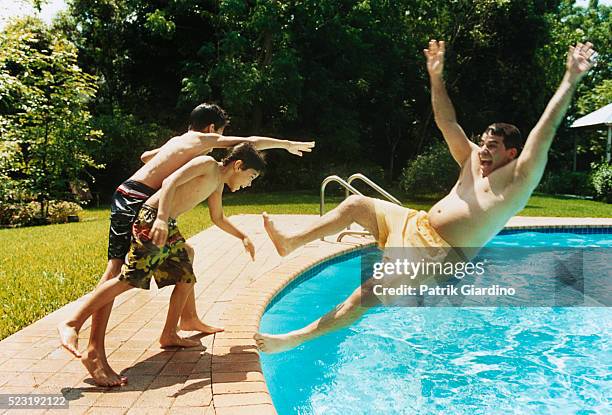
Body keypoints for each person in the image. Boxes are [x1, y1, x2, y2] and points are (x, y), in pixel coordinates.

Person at [255, 40, 597, 353]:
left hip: (439, 254)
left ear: (512, 153)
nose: (483, 152)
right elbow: (447, 121)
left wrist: (570, 79)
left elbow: (545, 130)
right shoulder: (472, 160)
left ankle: (293, 339)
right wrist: (436, 77)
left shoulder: (518, 183)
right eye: (484, 143)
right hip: (414, 222)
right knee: (356, 202)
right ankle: (291, 241)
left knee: (367, 293)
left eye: (492, 147)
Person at [62, 102, 314, 386]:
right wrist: (286, 143)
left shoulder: (183, 143)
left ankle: (184, 322)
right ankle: (82, 335)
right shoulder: (202, 146)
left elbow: (147, 157)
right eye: (220, 134)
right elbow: (249, 142)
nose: (219, 141)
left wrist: (242, 234)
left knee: (185, 257)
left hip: (139, 197)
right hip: (141, 202)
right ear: (211, 129)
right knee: (121, 273)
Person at [59, 143, 266, 386]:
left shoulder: (217, 184)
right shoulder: (207, 165)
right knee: (129, 279)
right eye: (250, 177)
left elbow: (217, 217)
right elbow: (169, 182)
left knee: (185, 273)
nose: (249, 183)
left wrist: (242, 236)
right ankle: (72, 322)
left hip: (168, 224)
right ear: (238, 165)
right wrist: (160, 218)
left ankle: (170, 333)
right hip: (152, 219)